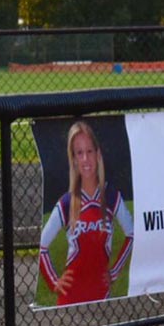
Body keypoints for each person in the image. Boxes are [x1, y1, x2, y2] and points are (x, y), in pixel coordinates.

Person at [38, 120, 134, 306]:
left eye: (89, 151)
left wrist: (114, 272)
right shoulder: (67, 203)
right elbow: (42, 245)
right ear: (73, 159)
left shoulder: (111, 197)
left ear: (98, 155)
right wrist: (55, 282)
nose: (85, 159)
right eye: (79, 153)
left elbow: (131, 233)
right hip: (69, 300)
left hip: (101, 297)